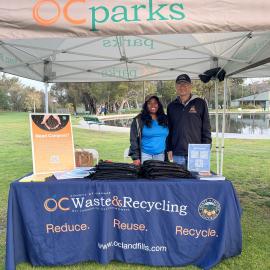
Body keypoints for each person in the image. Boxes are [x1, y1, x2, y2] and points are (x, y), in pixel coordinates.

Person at [167, 74, 212, 168]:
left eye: (185, 84)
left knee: (196, 181)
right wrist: (169, 148)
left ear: (190, 86)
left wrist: (206, 148)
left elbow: (206, 128)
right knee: (179, 182)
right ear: (176, 87)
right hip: (177, 153)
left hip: (197, 152)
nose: (182, 87)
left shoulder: (200, 103)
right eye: (179, 84)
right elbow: (169, 130)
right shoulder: (171, 106)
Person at [129, 95, 169, 165]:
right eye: (149, 103)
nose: (153, 105)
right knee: (146, 175)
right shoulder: (138, 120)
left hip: (161, 155)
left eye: (155, 103)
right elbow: (133, 140)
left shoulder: (165, 119)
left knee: (159, 175)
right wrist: (135, 157)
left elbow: (170, 136)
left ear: (158, 105)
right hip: (145, 155)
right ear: (145, 105)